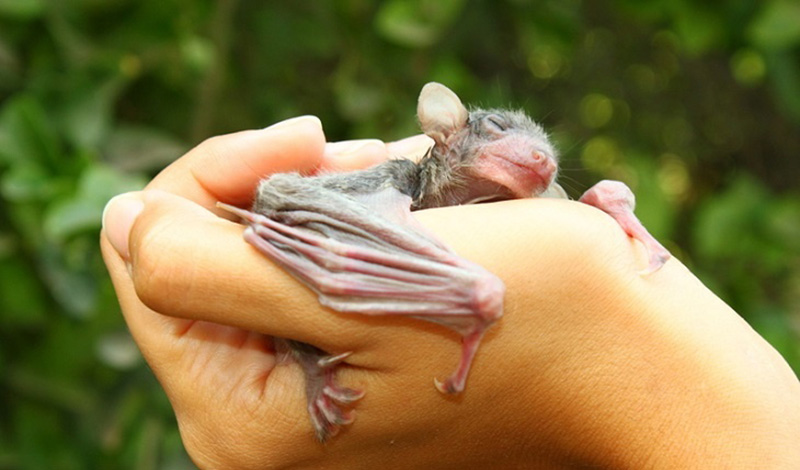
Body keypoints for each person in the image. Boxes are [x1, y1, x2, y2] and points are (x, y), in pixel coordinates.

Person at [100, 116, 800, 469]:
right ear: (448, 140)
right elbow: (285, 201)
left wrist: (601, 327)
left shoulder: (542, 214)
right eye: (498, 134)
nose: (531, 155)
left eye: (539, 147)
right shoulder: (398, 189)